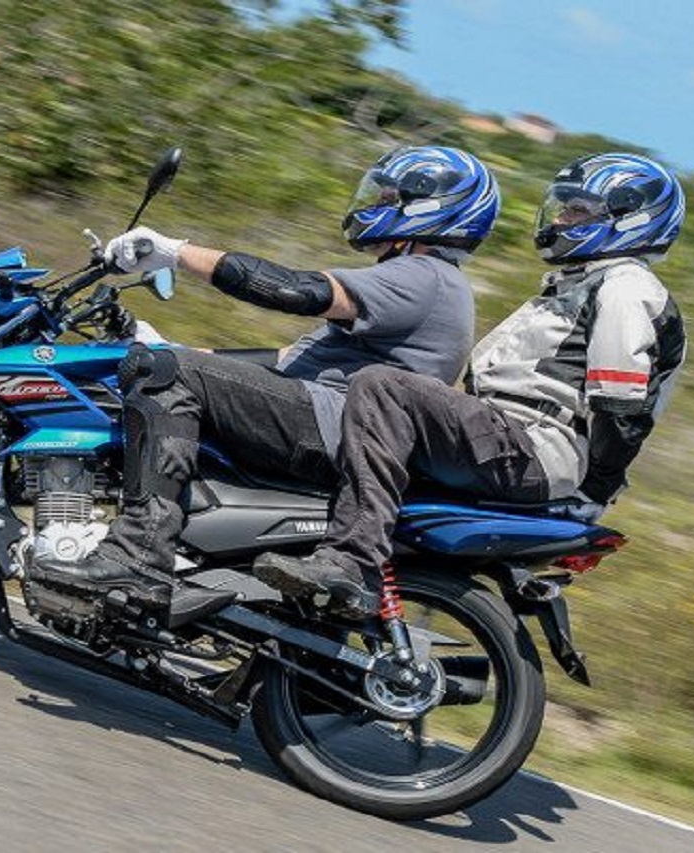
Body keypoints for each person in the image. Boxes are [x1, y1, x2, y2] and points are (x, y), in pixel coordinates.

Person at [33, 145, 501, 624]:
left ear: (433, 208)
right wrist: (165, 345)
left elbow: (296, 290)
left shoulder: (424, 275)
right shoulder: (417, 279)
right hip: (326, 417)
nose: (373, 204)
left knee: (168, 374)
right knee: (166, 364)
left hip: (337, 425)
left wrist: (174, 253)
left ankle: (136, 556)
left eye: (387, 196)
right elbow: (285, 362)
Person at [254, 152, 688, 618]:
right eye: (562, 206)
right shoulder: (578, 285)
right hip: (511, 440)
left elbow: (621, 408)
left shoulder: (627, 288)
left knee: (383, 386)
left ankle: (350, 563)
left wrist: (589, 497)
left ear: (632, 220)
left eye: (578, 210)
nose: (560, 219)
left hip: (535, 449)